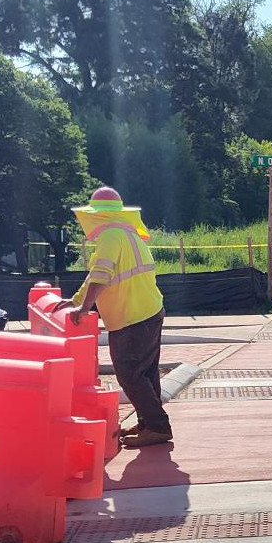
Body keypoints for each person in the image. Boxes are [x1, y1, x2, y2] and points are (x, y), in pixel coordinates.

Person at [61, 187, 172, 449]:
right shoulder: (128, 234)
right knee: (146, 373)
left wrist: (84, 308)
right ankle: (149, 423)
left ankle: (157, 426)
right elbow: (96, 275)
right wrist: (78, 300)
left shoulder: (111, 236)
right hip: (148, 312)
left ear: (97, 215)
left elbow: (101, 276)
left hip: (130, 317)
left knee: (130, 375)